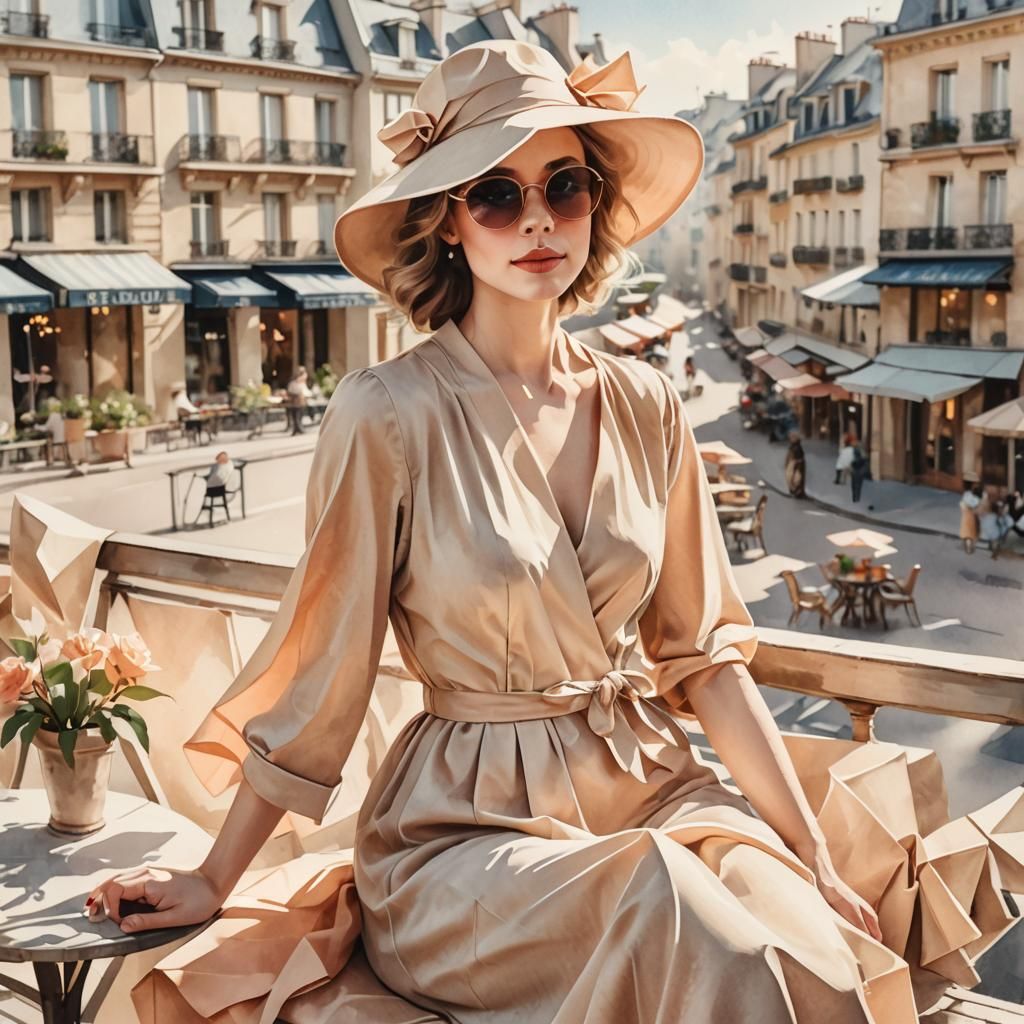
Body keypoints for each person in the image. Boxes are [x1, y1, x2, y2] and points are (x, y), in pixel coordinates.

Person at [89, 41, 926, 1023]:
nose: (534, 218)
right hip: (463, 833)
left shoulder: (649, 400)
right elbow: (327, 670)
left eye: (561, 186)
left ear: (591, 206)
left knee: (812, 947)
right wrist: (214, 873)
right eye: (494, 192)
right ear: (448, 219)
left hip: (653, 785)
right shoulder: (384, 410)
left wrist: (812, 855)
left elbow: (705, 657)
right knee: (686, 920)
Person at [285, 367, 311, 435]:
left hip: (301, 402)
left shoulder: (302, 384)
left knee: (299, 416)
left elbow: (306, 392)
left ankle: (298, 429)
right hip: (294, 402)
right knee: (295, 416)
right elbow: (289, 392)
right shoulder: (293, 383)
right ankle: (297, 429)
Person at [959, 481, 981, 553]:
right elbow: (976, 506)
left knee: (967, 533)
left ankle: (968, 544)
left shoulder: (966, 495)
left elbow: (962, 504)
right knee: (971, 533)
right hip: (972, 516)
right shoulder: (976, 499)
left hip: (966, 516)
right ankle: (969, 545)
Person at [785, 430, 807, 498]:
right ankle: (794, 490)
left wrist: (796, 464)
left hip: (796, 466)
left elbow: (799, 458)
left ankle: (797, 491)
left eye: (792, 437)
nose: (790, 439)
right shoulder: (793, 447)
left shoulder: (797, 448)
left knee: (796, 478)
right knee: (792, 478)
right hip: (793, 465)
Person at [849, 438, 871, 504]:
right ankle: (857, 500)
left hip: (858, 472)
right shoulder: (857, 450)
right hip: (858, 471)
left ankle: (856, 500)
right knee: (857, 487)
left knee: (857, 487)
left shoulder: (857, 450)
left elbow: (859, 460)